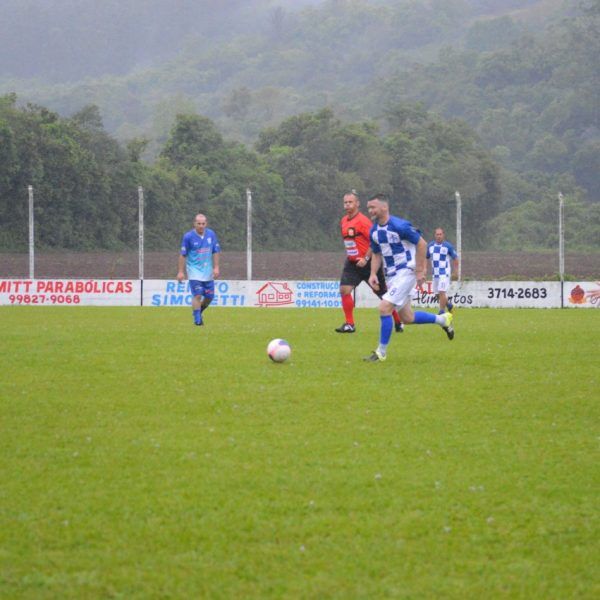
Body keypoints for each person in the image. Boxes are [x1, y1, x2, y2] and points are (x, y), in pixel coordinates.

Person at [363, 194, 454, 362]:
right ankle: (443, 320)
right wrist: (373, 273)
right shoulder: (374, 230)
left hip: (406, 271)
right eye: (368, 208)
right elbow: (376, 253)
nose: (370, 211)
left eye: (373, 207)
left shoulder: (399, 225)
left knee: (384, 308)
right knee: (407, 317)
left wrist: (420, 270)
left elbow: (422, 244)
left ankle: (380, 353)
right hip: (392, 276)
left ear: (384, 207)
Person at [335, 190, 403, 333]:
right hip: (352, 263)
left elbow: (374, 242)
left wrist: (365, 258)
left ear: (357, 204)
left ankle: (398, 321)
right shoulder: (343, 221)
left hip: (369, 263)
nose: (347, 205)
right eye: (345, 203)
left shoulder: (363, 221)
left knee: (383, 295)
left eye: (350, 202)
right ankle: (350, 324)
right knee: (344, 290)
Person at [177, 213, 221, 326]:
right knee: (197, 295)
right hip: (194, 271)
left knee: (209, 297)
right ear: (194, 224)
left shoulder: (211, 234)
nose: (201, 226)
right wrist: (181, 271)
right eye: (199, 223)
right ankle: (198, 321)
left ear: (206, 224)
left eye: (203, 223)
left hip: (207, 272)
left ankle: (198, 311)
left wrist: (216, 267)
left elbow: (215, 251)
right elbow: (183, 254)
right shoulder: (188, 237)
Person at [426, 227, 459, 314]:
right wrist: (423, 270)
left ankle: (441, 312)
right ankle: (449, 306)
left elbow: (455, 259)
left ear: (443, 235)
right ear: (434, 235)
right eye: (437, 234)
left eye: (440, 234)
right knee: (437, 294)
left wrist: (456, 272)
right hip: (435, 274)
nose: (439, 236)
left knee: (441, 291)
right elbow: (426, 258)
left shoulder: (448, 246)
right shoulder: (430, 246)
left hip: (444, 274)